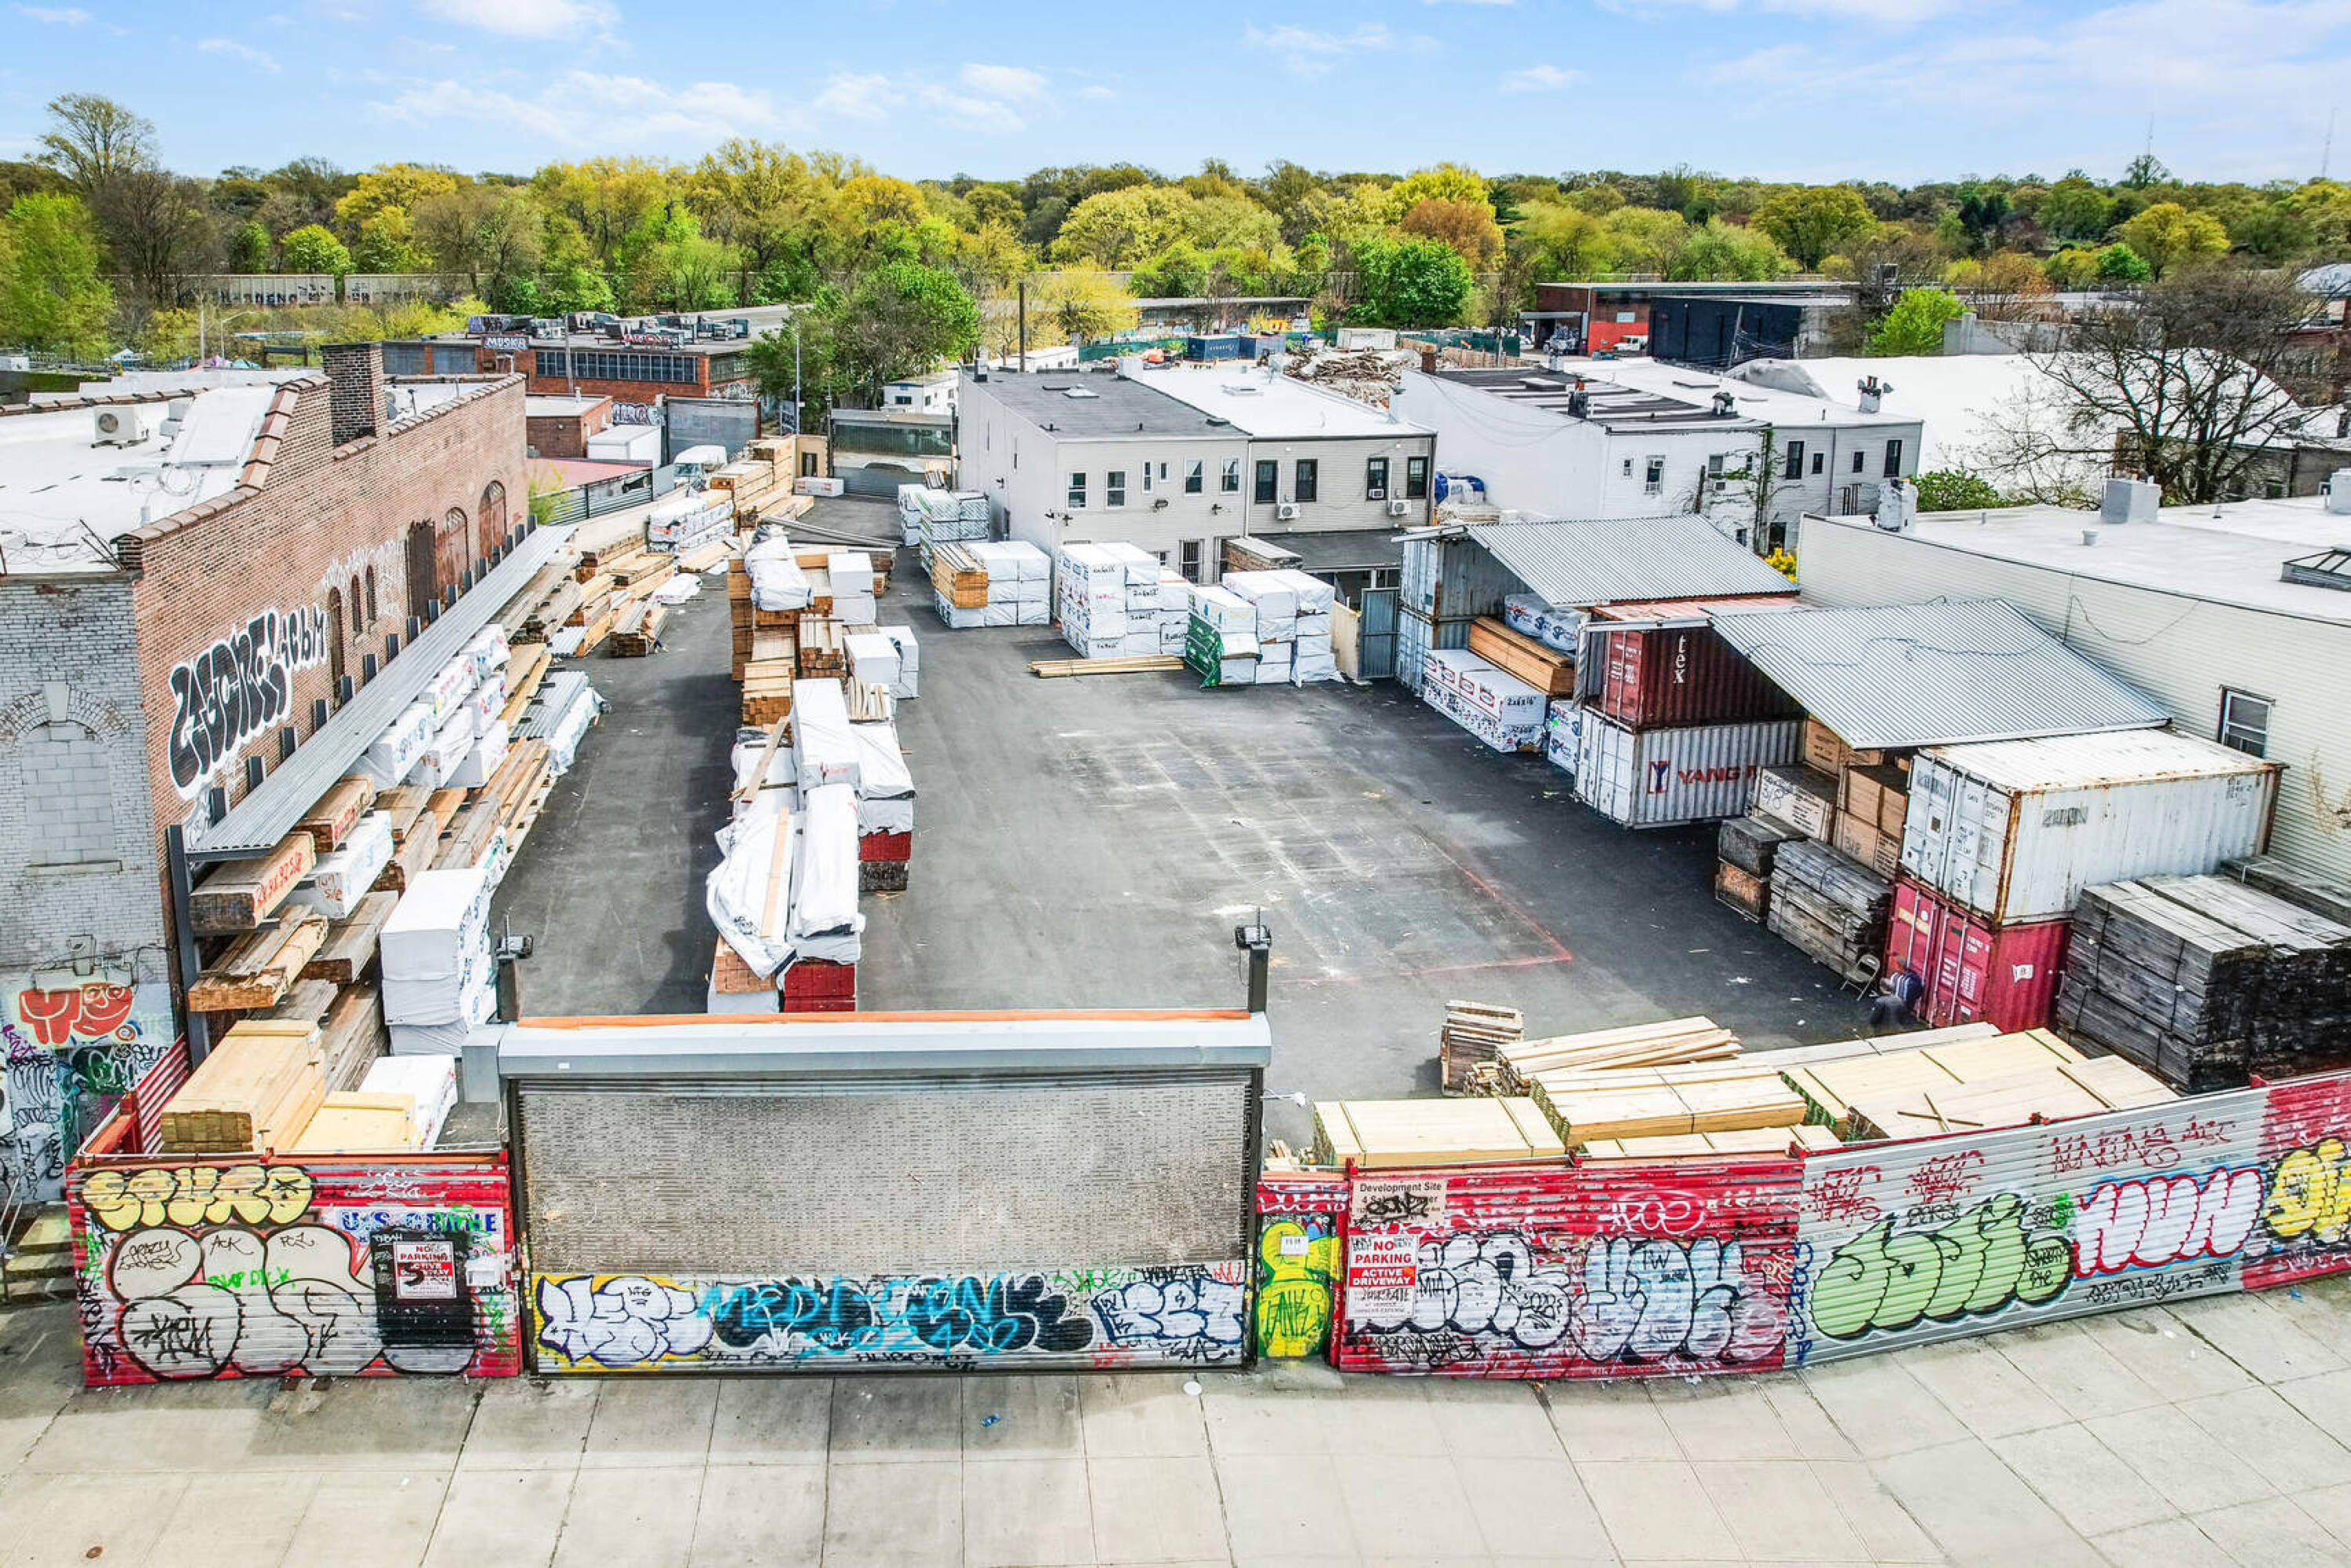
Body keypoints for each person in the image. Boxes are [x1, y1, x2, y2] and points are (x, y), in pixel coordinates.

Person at [1867, 961, 1925, 1030]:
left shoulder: (1895, 977)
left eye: (1896, 965)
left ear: (1900, 966)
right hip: (1905, 1009)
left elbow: (1874, 1019)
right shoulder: (1915, 979)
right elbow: (1919, 993)